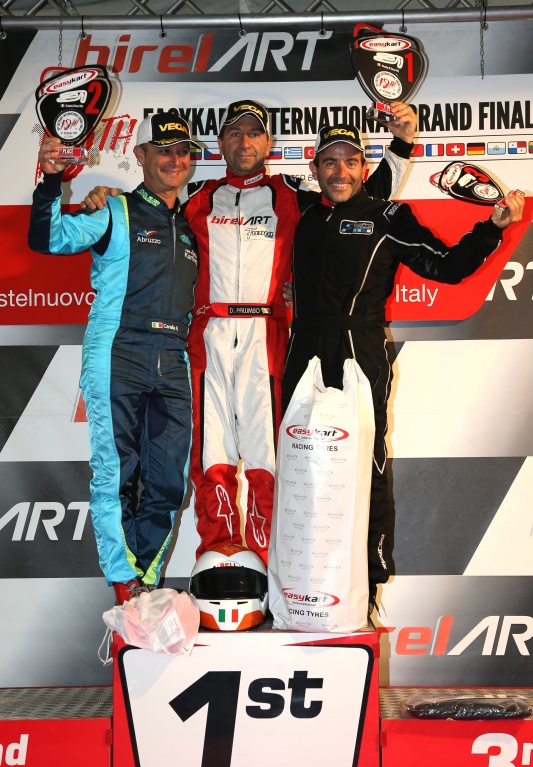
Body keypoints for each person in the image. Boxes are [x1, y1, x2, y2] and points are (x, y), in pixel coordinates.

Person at [82, 99, 417, 570]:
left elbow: (358, 199)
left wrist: (401, 146)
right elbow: (146, 206)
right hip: (208, 338)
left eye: (254, 133)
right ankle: (217, 559)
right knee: (210, 453)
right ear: (220, 143)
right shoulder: (195, 195)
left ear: (268, 143)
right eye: (235, 133)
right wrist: (102, 196)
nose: (244, 142)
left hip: (267, 337)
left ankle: (266, 565)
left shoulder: (293, 194)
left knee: (269, 457)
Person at [282, 124, 526, 610]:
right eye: (330, 161)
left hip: (358, 351)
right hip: (301, 350)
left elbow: (447, 267)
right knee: (297, 463)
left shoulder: (387, 215)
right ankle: (298, 585)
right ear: (315, 169)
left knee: (365, 464)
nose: (340, 171)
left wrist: (492, 228)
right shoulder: (303, 209)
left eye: (351, 161)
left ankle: (367, 590)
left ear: (363, 168)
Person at [28, 112, 199, 605]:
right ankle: (127, 585)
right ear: (141, 155)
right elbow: (49, 239)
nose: (174, 160)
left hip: (174, 359)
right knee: (116, 472)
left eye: (182, 152)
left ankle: (147, 581)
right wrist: (52, 182)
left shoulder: (192, 226)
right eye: (163, 151)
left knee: (169, 479)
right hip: (117, 353)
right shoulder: (114, 209)